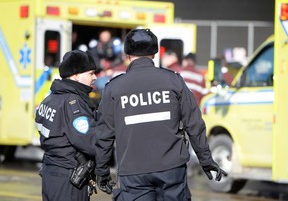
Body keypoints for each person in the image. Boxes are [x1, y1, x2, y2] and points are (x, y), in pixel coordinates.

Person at [94, 28, 227, 200]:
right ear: (154, 54)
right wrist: (206, 160)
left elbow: (104, 134)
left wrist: (102, 172)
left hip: (134, 172)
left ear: (127, 55)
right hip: (171, 170)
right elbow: (194, 123)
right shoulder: (173, 81)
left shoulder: (115, 87)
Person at [35, 50, 98, 201]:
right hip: (68, 179)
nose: (95, 77)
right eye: (91, 73)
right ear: (76, 75)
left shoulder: (50, 99)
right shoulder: (73, 103)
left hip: (50, 173)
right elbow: (90, 143)